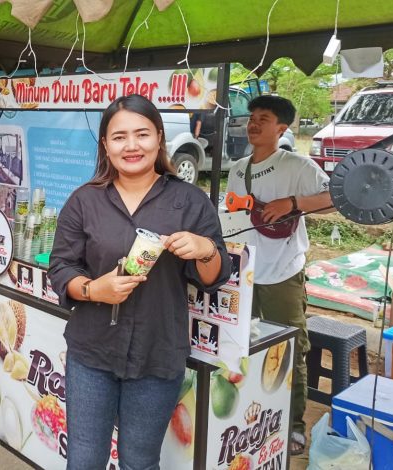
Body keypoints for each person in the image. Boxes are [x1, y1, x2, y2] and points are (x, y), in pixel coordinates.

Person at [48, 94, 231, 470]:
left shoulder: (189, 201)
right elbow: (61, 268)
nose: (131, 145)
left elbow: (213, 278)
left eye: (142, 134)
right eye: (119, 137)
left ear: (159, 138)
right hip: (92, 353)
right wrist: (93, 289)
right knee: (84, 459)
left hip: (157, 354)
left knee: (140, 462)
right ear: (105, 145)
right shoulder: (85, 201)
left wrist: (205, 249)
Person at [226, 95, 332, 456]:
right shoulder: (237, 168)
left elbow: (335, 198)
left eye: (264, 118)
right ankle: (251, 414)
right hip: (243, 272)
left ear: (282, 128)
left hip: (283, 274)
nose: (253, 123)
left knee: (289, 348)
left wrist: (293, 203)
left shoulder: (298, 166)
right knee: (241, 342)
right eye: (252, 117)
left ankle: (293, 426)